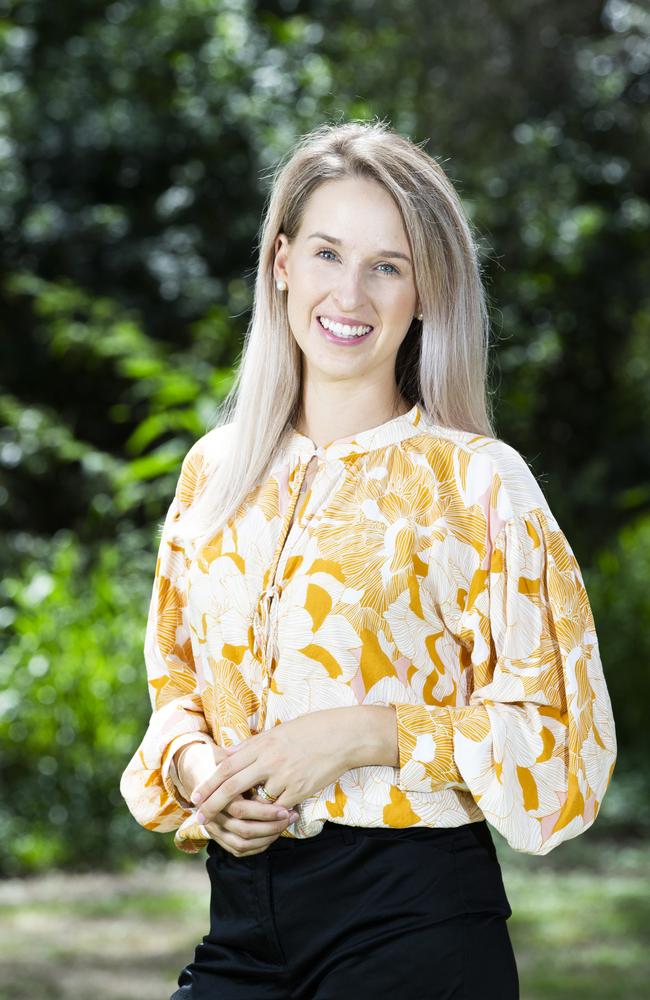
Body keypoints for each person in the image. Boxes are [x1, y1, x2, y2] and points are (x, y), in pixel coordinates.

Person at [119, 119, 617, 1000]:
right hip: (240, 922)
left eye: (387, 265)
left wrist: (361, 735)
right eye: (326, 253)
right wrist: (204, 779)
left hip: (413, 919)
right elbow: (177, 693)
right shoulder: (214, 472)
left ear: (423, 292)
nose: (350, 294)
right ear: (280, 263)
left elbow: (562, 747)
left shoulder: (478, 484)